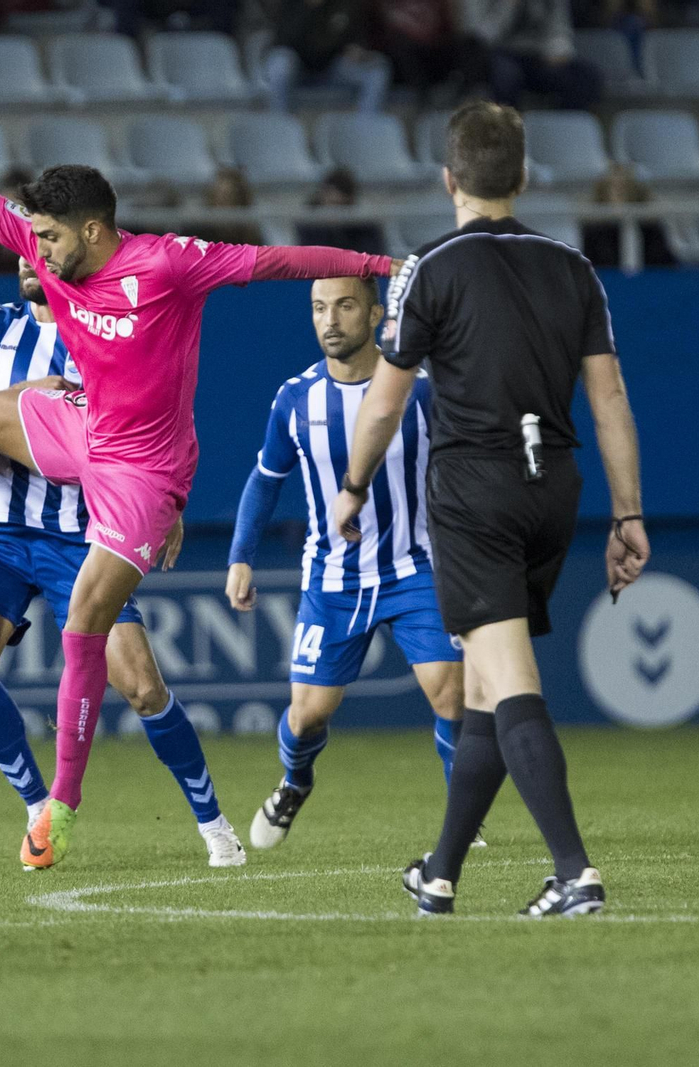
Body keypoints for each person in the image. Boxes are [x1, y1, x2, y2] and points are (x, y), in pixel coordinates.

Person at [0, 67, 394, 869]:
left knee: (84, 626)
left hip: (144, 475)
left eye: (49, 239)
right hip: (82, 428)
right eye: (32, 238)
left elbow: (281, 260)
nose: (34, 253)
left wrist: (383, 267)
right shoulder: (52, 252)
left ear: (96, 231)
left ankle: (61, 807)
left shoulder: (168, 265)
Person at [332, 102, 649, 917]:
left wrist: (355, 484)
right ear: (525, 177)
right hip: (557, 488)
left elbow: (384, 404)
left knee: (508, 678)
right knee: (481, 685)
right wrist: (628, 515)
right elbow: (608, 397)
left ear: (448, 180)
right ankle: (439, 872)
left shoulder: (427, 269)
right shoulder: (572, 267)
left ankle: (575, 872)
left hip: (476, 491)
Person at [0, 258, 248, 868]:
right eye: (22, 249)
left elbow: (154, 418)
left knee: (142, 685)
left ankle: (214, 825)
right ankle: (36, 806)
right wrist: (34, 392)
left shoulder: (110, 329)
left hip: (85, 532)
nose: (30, 261)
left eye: (43, 247)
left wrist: (161, 500)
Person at [226, 276, 470, 852]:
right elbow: (265, 481)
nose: (329, 319)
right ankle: (295, 782)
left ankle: (464, 812)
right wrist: (241, 556)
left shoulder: (421, 391)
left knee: (451, 694)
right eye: (318, 308)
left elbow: (463, 470)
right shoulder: (295, 399)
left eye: (344, 305)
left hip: (415, 569)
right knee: (307, 716)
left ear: (376, 314)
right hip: (332, 582)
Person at [458, 0, 603, 110]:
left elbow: (560, 27)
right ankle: (509, 132)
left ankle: (560, 134)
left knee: (587, 76)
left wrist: (558, 50)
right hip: (497, 53)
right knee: (507, 76)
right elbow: (482, 36)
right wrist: (508, 7)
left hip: (539, 55)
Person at [263, 0, 391, 113]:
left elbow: (357, 37)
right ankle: (280, 126)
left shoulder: (346, 4)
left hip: (332, 68)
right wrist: (309, 7)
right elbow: (282, 41)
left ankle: (365, 131)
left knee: (377, 70)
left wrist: (357, 49)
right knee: (280, 63)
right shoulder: (290, 4)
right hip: (297, 70)